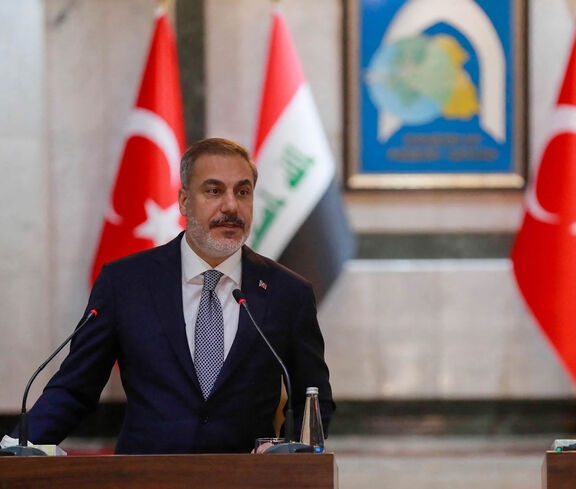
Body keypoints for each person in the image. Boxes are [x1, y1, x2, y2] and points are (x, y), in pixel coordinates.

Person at [12, 138, 334, 454]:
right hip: (144, 478)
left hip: (246, 479)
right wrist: (14, 449)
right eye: (213, 191)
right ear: (183, 201)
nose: (231, 206)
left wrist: (286, 457)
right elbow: (73, 389)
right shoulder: (125, 283)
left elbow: (312, 399)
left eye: (243, 191)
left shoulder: (287, 293)